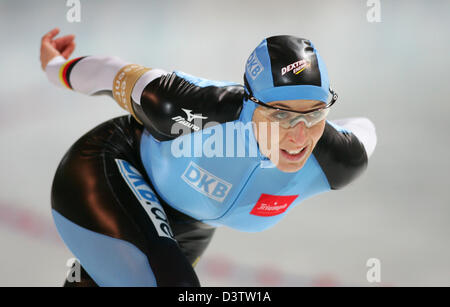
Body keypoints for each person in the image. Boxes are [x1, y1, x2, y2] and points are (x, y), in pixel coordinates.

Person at [40, 28, 377, 287]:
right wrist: (55, 65)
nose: (299, 136)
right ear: (250, 103)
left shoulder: (337, 158)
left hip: (189, 226)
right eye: (280, 115)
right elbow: (107, 74)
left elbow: (365, 128)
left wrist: (315, 122)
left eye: (314, 115)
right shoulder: (186, 105)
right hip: (113, 167)